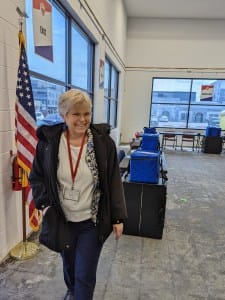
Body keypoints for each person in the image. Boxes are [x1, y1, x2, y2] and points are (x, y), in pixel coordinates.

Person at [29, 89, 127, 300]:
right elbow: (36, 178)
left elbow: (113, 181)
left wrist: (118, 217)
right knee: (70, 266)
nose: (83, 120)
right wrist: (45, 206)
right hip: (62, 219)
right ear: (64, 115)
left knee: (85, 273)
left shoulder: (103, 143)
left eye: (87, 114)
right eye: (76, 114)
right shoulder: (49, 143)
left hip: (91, 221)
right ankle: (73, 291)